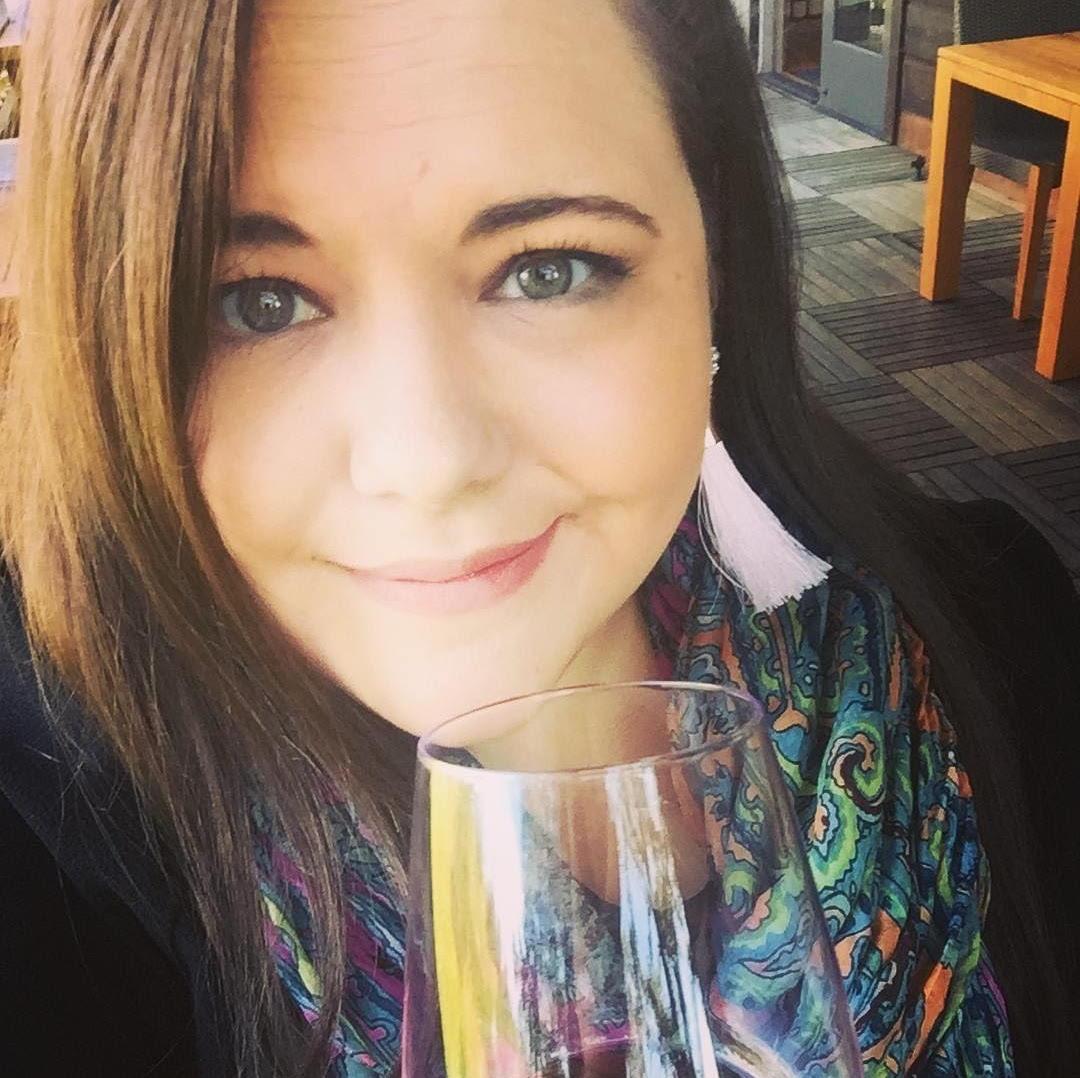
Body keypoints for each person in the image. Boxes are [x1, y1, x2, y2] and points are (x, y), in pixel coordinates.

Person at [0, 1, 1076, 1075]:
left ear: (716, 258)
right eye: (259, 302)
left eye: (546, 269)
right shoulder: (52, 820)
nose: (427, 459)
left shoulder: (997, 630)